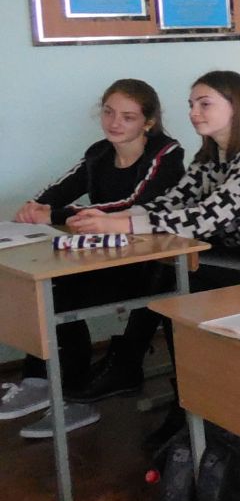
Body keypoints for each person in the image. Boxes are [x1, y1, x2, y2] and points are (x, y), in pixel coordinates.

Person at [70, 71, 240, 442]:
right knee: (169, 274)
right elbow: (172, 202)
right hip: (238, 253)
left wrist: (121, 224)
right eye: (191, 105)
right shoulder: (210, 156)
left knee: (176, 280)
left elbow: (207, 217)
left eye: (205, 104)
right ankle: (181, 391)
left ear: (236, 107)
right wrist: (113, 218)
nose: (193, 113)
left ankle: (179, 392)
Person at [1, 80, 185, 435]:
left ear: (148, 122)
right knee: (47, 290)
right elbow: (59, 189)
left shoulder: (166, 155)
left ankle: (74, 399)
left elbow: (133, 204)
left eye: (128, 117)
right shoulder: (99, 153)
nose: (115, 123)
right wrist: (36, 207)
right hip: (103, 256)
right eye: (109, 112)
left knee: (60, 293)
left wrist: (56, 214)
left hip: (150, 264)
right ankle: (43, 383)